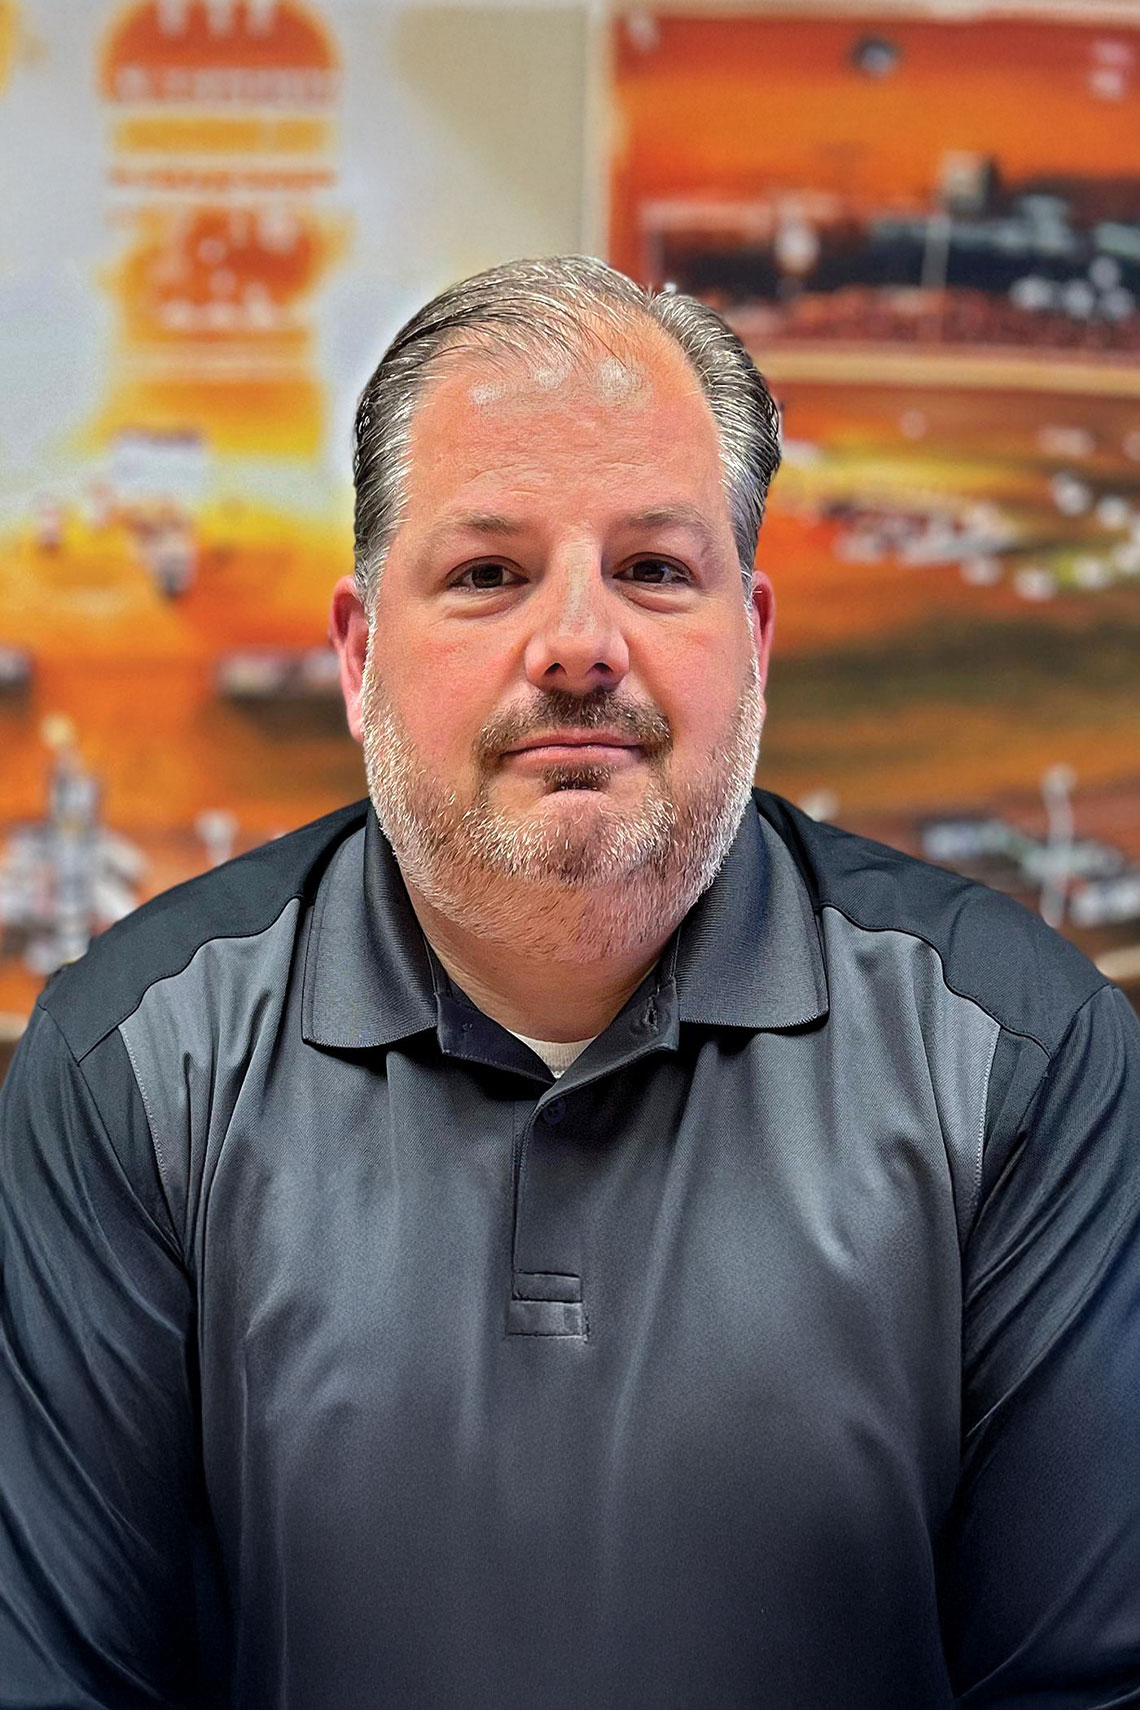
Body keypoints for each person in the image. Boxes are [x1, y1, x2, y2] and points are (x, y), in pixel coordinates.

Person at [1, 256, 1138, 1710]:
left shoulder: (1021, 1057)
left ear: (755, 642)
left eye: (654, 569)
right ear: (359, 654)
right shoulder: (129, 1063)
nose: (582, 645)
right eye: (488, 574)